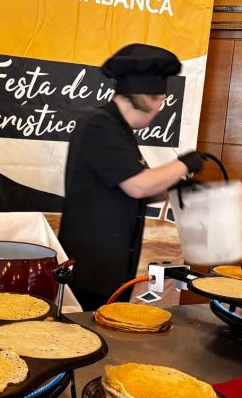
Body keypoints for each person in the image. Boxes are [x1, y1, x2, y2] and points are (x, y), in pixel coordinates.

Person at [59, 44, 204, 311]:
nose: (161, 108)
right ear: (144, 97)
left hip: (113, 264)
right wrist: (186, 163)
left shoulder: (118, 129)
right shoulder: (99, 124)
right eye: (160, 99)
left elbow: (139, 188)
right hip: (92, 266)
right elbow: (138, 185)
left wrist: (176, 188)